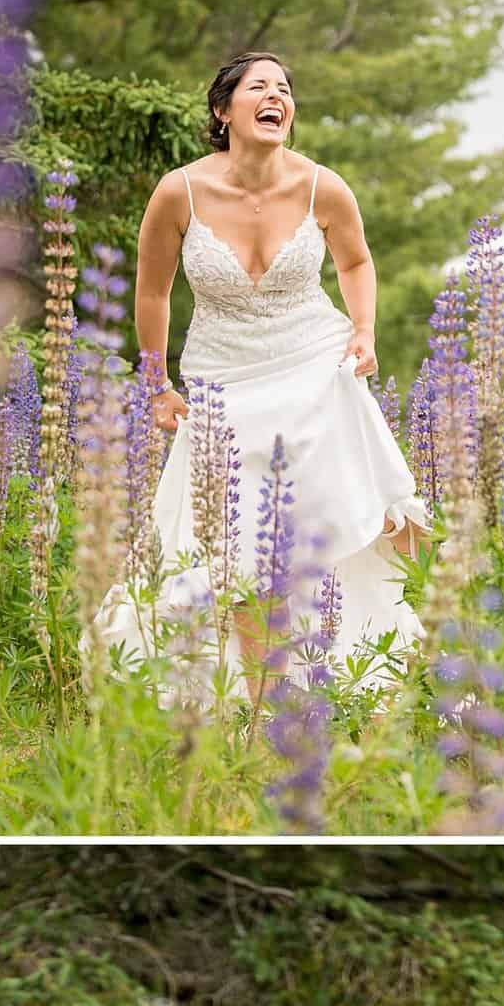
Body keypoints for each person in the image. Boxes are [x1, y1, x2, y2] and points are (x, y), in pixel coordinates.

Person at [92, 53, 431, 702]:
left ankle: (356, 676)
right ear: (224, 111)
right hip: (224, 383)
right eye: (260, 87)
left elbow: (356, 261)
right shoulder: (180, 191)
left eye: (285, 88)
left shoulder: (320, 186)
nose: (277, 96)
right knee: (235, 543)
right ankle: (258, 701)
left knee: (340, 521)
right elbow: (154, 291)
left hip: (314, 371)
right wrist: (155, 381)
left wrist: (364, 329)